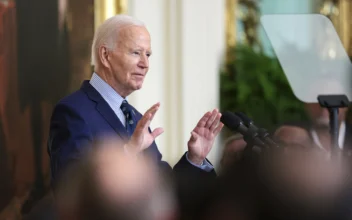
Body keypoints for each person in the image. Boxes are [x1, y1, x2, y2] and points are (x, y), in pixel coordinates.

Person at [47, 15, 224, 185]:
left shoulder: (137, 119)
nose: (145, 64)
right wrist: (129, 151)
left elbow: (165, 192)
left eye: (148, 55)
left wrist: (194, 158)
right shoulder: (73, 112)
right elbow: (72, 188)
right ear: (105, 55)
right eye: (136, 52)